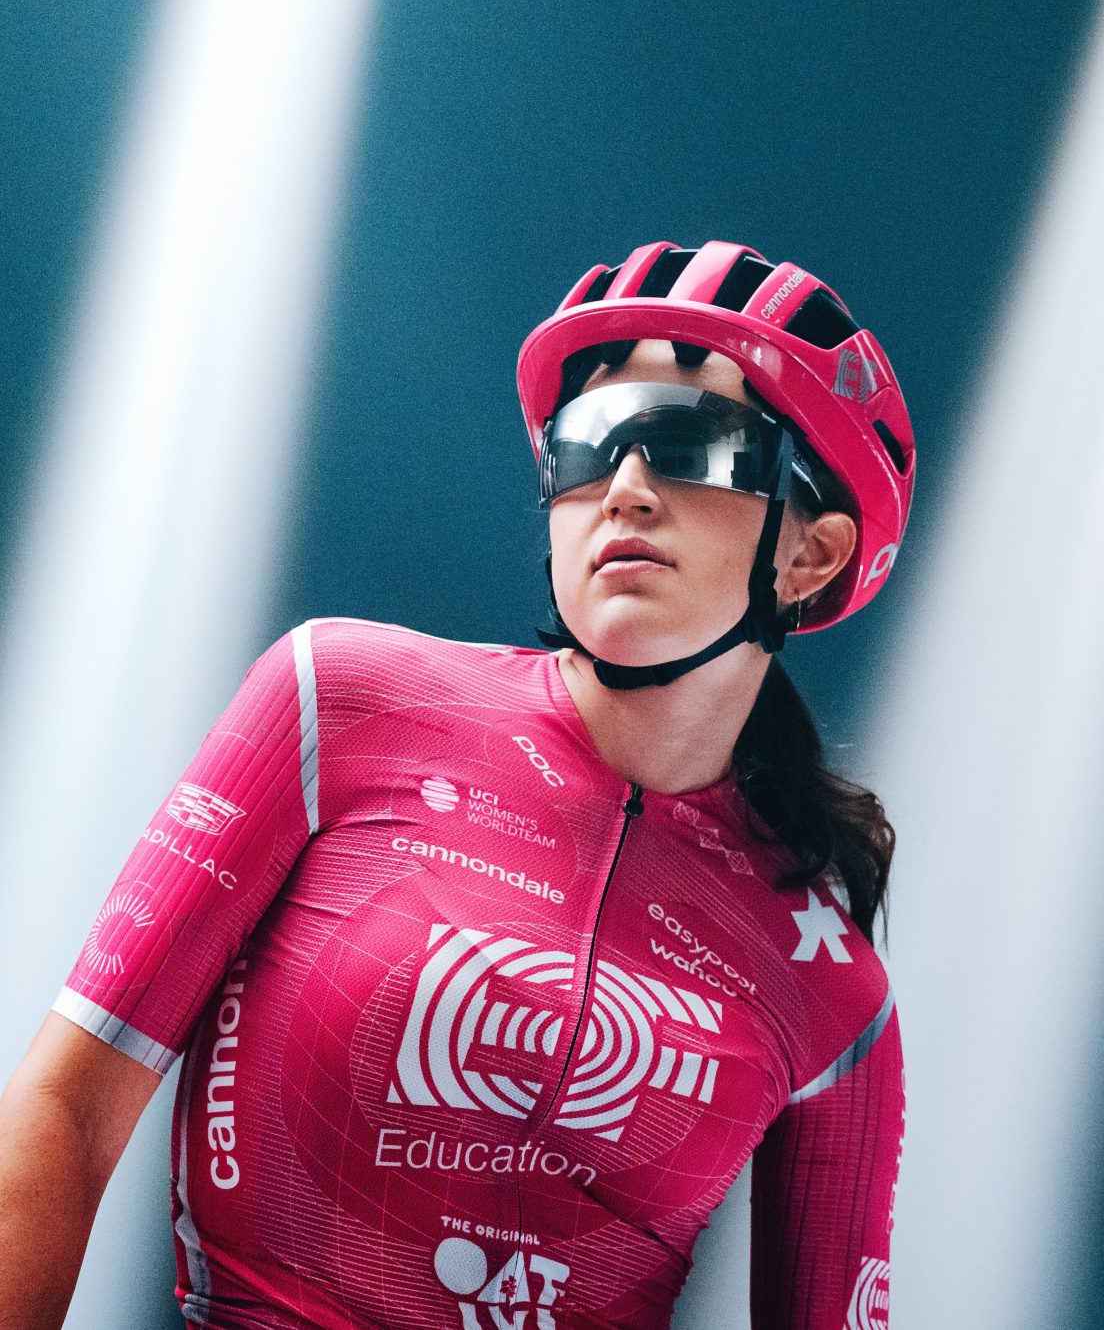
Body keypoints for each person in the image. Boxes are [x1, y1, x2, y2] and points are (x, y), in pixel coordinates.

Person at [0, 239, 915, 1329]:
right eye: (587, 446)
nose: (624, 490)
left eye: (689, 445)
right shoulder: (333, 697)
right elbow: (66, 1112)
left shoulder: (837, 994)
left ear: (812, 555)